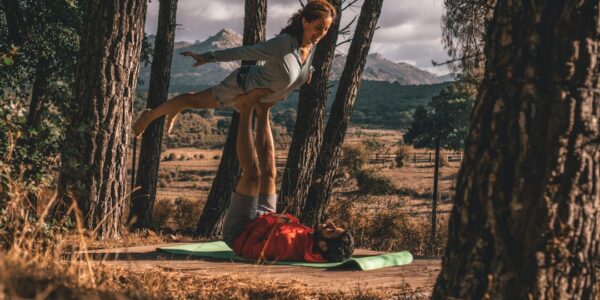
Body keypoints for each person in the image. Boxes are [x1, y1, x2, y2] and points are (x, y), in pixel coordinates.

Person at [132, 0, 337, 137]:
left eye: (326, 29)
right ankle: (150, 115)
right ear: (305, 21)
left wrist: (307, 73)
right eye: (319, 27)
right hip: (242, 86)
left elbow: (297, 66)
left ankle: (174, 108)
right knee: (193, 100)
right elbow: (246, 52)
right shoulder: (284, 43)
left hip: (256, 98)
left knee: (194, 102)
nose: (322, 33)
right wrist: (208, 56)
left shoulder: (310, 46)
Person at [223, 98, 354, 262]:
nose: (330, 224)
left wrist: (271, 220)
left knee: (253, 176)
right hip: (267, 218)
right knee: (270, 173)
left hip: (241, 230)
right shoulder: (312, 238)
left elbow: (246, 249)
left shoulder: (287, 247)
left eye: (331, 231)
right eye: (335, 227)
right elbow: (288, 225)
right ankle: (263, 110)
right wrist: (277, 219)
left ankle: (246, 110)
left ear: (323, 245)